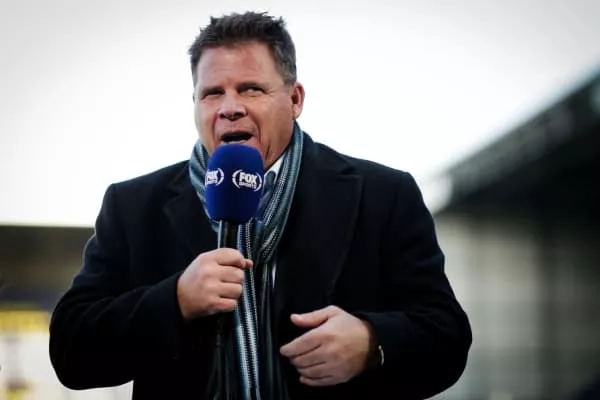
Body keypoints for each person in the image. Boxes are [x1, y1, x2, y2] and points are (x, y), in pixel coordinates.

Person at [49, 11, 472, 400]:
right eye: (212, 93)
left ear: (295, 99)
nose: (230, 108)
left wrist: (371, 342)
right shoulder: (133, 206)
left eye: (250, 88)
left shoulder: (383, 194)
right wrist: (175, 300)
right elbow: (70, 352)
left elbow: (447, 337)